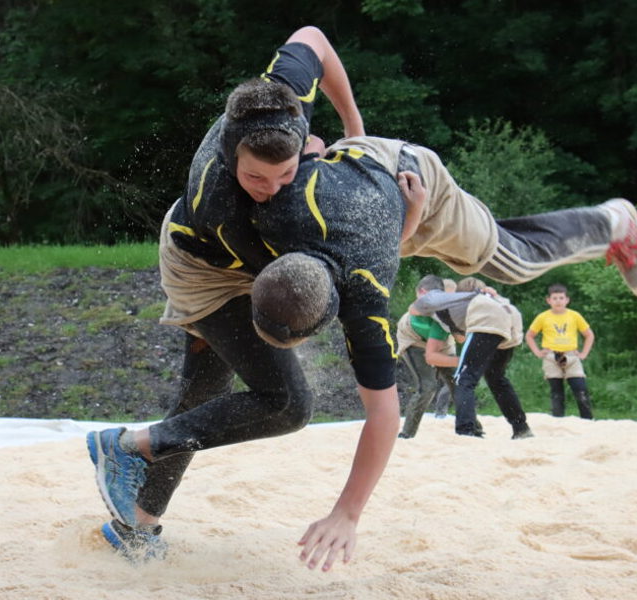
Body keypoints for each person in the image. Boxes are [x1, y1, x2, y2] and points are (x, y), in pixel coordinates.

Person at [86, 26, 399, 573]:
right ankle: (126, 445)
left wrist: (353, 129)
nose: (274, 188)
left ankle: (135, 525)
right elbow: (296, 290)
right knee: (286, 403)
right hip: (204, 267)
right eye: (257, 176)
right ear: (233, 153)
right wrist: (403, 221)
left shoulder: (272, 103)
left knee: (205, 392)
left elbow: (315, 39)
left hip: (243, 253)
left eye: (285, 174)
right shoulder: (227, 204)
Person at [409, 277, 534, 439]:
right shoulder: (467, 306)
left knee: (464, 379)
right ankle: (521, 428)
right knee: (496, 377)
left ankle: (466, 431)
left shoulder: (438, 297)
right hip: (511, 318)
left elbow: (414, 309)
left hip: (488, 319)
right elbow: (463, 338)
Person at [396, 274, 466, 439]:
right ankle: (407, 434)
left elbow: (461, 338)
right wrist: (463, 361)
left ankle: (471, 427)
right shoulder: (424, 308)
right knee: (427, 386)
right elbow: (431, 357)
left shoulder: (449, 313)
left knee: (460, 383)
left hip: (441, 337)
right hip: (413, 340)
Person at [525, 283, 595, 419]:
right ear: (548, 300)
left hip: (571, 356)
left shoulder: (574, 316)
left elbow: (589, 334)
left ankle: (587, 420)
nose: (558, 301)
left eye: (561, 298)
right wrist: (537, 352)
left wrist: (584, 353)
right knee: (556, 392)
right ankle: (558, 420)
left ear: (567, 300)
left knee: (580, 389)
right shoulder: (543, 317)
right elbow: (529, 335)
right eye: (555, 298)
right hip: (551, 356)